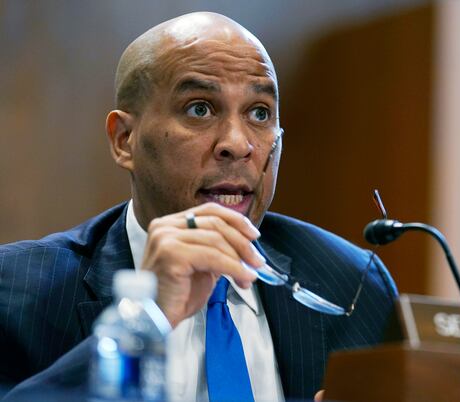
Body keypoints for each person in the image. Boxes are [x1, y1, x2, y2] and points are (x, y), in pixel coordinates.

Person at [0, 12, 398, 402]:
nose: (238, 144)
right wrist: (142, 320)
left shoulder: (350, 283)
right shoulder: (20, 291)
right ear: (125, 140)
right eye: (200, 108)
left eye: (259, 113)